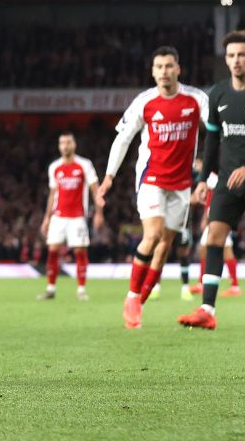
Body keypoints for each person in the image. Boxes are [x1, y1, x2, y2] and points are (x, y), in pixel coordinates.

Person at [181, 30, 245, 331]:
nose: (236, 60)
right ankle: (207, 309)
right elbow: (212, 141)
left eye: (241, 54)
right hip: (227, 180)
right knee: (213, 237)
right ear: (225, 60)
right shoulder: (217, 94)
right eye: (230, 55)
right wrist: (202, 180)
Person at [98, 46, 207, 329]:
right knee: (154, 233)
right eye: (159, 67)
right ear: (153, 71)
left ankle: (140, 303)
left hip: (182, 184)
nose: (164, 72)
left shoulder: (196, 99)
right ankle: (132, 296)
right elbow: (123, 139)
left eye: (169, 66)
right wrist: (109, 175)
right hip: (151, 179)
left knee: (165, 245)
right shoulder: (144, 101)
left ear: (178, 69)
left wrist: (209, 171)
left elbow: (218, 131)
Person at [37, 132, 104, 302]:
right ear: (59, 146)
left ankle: (81, 289)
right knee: (52, 251)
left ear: (74, 145)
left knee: (80, 251)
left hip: (78, 217)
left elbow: (95, 191)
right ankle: (50, 288)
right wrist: (47, 218)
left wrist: (99, 213)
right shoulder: (54, 167)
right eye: (62, 143)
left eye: (68, 142)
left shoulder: (84, 165)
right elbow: (53, 194)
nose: (65, 146)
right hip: (58, 216)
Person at [188, 172, 242, 298]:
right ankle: (232, 285)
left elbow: (214, 196)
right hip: (217, 213)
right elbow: (209, 198)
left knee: (219, 249)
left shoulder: (218, 175)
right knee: (211, 248)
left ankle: (233, 285)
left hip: (220, 215)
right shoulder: (214, 175)